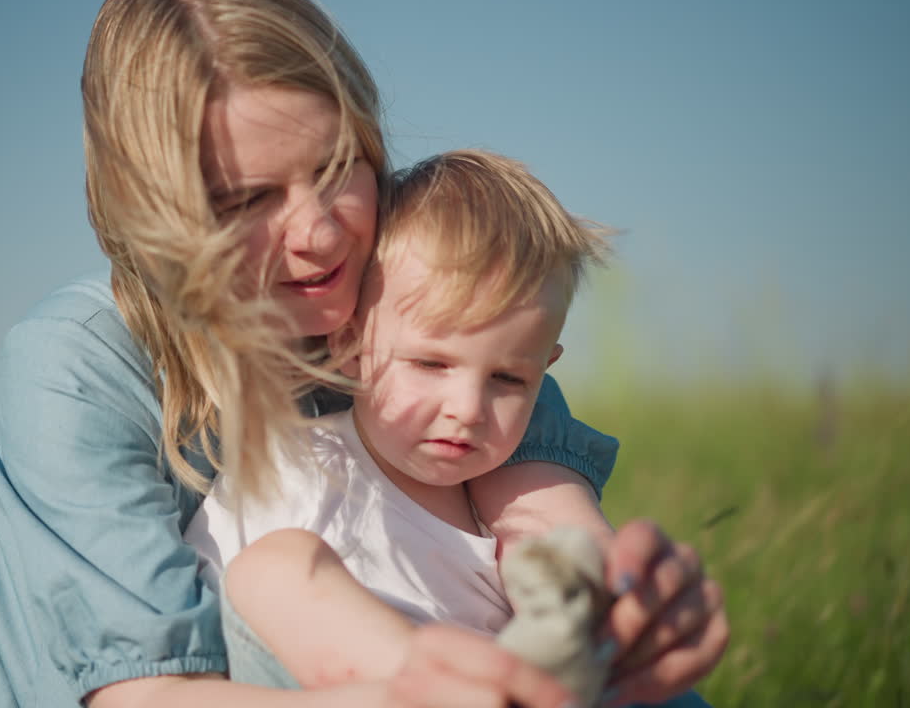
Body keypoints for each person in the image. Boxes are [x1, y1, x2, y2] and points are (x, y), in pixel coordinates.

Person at [0, 0, 728, 707]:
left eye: (335, 168)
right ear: (155, 211)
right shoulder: (75, 370)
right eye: (246, 200)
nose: (321, 235)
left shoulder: (428, 317)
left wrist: (625, 601)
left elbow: (544, 518)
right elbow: (146, 694)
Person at [185, 150, 716, 708]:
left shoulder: (505, 520)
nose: (467, 409)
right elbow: (223, 613)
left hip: (510, 683)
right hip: (338, 689)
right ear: (348, 345)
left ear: (545, 373)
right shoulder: (297, 464)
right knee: (274, 568)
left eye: (507, 379)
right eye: (430, 364)